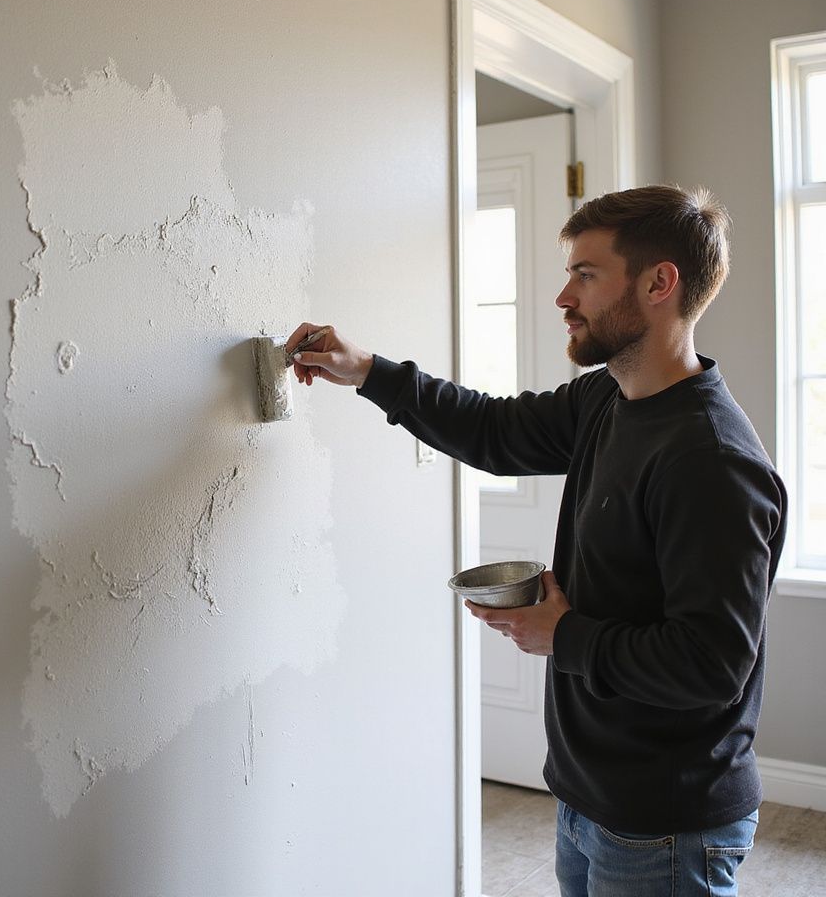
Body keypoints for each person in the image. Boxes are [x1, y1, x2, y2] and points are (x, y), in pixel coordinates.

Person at [285, 185, 787, 897]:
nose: (563, 296)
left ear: (658, 283)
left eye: (585, 274)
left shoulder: (711, 461)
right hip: (587, 796)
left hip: (665, 824)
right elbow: (494, 431)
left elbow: (711, 666)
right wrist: (366, 370)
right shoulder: (607, 399)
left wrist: (565, 634)